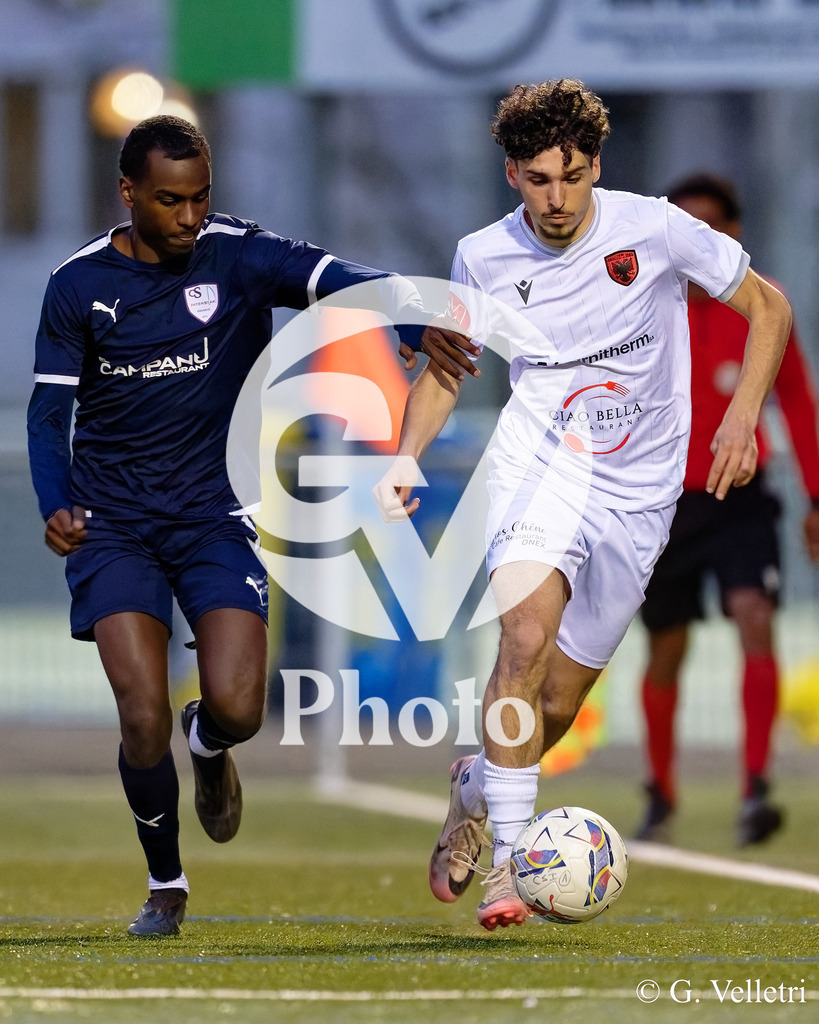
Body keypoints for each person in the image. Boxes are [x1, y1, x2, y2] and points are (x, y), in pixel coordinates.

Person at [27, 115, 476, 937]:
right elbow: (48, 410)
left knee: (238, 706)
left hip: (211, 515)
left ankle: (211, 746)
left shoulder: (239, 253)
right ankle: (166, 883)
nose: (189, 217)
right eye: (169, 201)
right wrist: (54, 499)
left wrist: (410, 324)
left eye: (201, 198)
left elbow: (349, 278)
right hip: (114, 522)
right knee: (139, 713)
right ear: (127, 194)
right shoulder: (76, 284)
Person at [375, 80, 792, 931]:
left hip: (640, 493)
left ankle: (476, 787)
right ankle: (510, 872)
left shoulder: (653, 228)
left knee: (553, 708)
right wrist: (403, 457)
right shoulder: (481, 257)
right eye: (537, 180)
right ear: (510, 175)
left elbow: (768, 308)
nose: (556, 199)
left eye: (570, 177)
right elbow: (448, 369)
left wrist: (742, 416)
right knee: (520, 639)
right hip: (541, 468)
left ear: (595, 165)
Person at [635, 173, 819, 847]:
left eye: (709, 226)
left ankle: (754, 786)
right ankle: (659, 789)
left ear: (732, 233)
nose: (697, 240)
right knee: (666, 648)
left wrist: (816, 496)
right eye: (686, 227)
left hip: (740, 497)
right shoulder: (642, 306)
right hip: (662, 501)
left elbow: (796, 400)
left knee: (754, 617)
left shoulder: (761, 304)